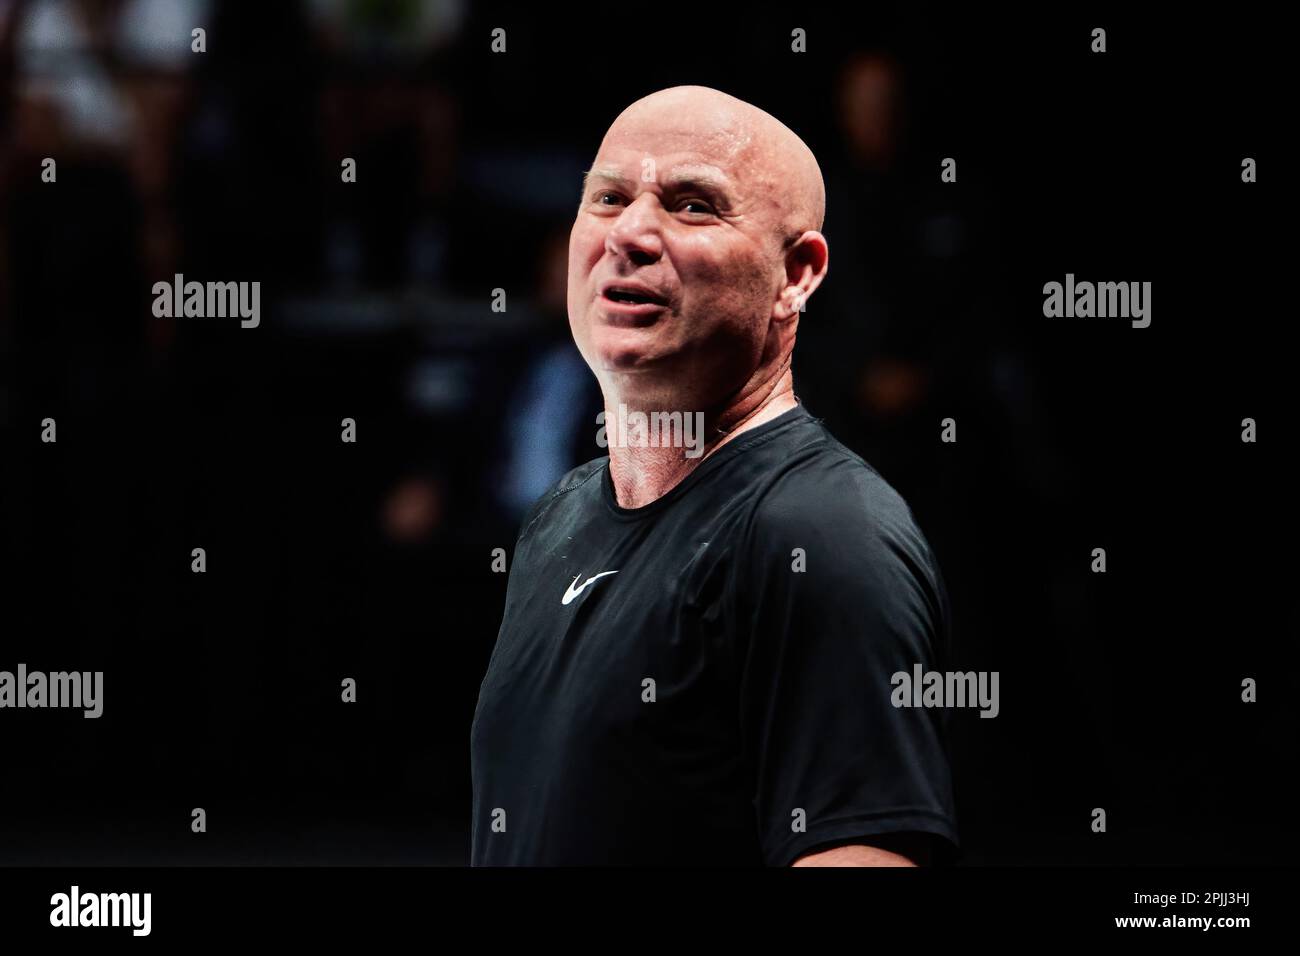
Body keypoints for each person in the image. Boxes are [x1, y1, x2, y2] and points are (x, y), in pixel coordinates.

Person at [470, 86, 958, 866]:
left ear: (796, 273)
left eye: (693, 206)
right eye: (608, 197)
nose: (630, 232)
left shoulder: (822, 533)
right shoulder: (558, 517)